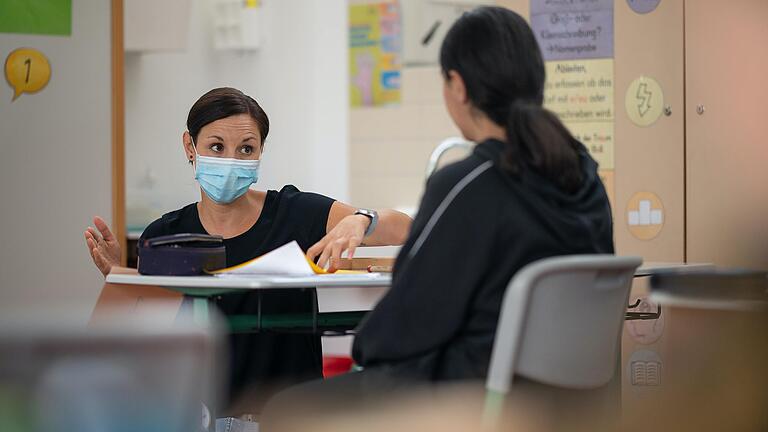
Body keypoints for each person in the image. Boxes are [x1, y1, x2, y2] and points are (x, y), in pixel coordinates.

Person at [262, 6, 614, 422]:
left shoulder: (469, 182)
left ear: (458, 86)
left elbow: (404, 325)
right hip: (566, 401)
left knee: (287, 409)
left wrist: (365, 347)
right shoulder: (584, 177)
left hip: (468, 396)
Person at [83, 87, 412, 411]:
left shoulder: (294, 213)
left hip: (288, 416)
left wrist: (361, 219)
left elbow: (406, 228)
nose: (231, 160)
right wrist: (122, 282)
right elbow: (140, 344)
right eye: (216, 146)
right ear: (189, 146)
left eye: (245, 149)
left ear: (260, 151)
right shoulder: (167, 234)